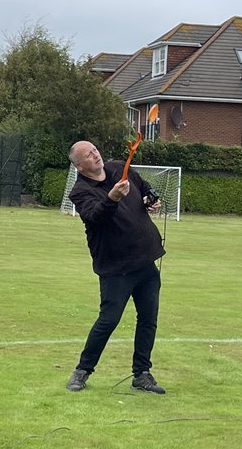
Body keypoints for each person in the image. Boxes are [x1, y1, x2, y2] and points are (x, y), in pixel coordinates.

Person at [65, 140, 167, 395]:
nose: (95, 155)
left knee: (148, 320)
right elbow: (95, 217)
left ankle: (142, 374)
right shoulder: (80, 191)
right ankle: (82, 370)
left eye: (95, 150)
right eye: (88, 155)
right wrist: (111, 198)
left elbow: (144, 187)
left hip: (146, 262)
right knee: (108, 320)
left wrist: (150, 199)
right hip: (116, 268)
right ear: (79, 165)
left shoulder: (119, 168)